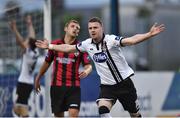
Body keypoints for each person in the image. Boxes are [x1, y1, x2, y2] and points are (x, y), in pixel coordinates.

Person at [35, 17, 165, 117]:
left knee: (135, 115)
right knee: (103, 110)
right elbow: (68, 48)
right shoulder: (87, 44)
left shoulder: (111, 40)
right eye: (90, 28)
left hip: (124, 84)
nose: (92, 30)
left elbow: (131, 40)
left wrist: (148, 34)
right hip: (107, 86)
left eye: (95, 27)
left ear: (101, 28)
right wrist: (50, 46)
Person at [34, 19, 92, 117]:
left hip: (74, 87)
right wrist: (38, 77)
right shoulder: (55, 44)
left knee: (73, 114)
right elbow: (47, 63)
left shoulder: (81, 47)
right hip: (57, 87)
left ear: (78, 33)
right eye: (72, 26)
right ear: (66, 28)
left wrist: (87, 71)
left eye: (77, 28)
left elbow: (88, 65)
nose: (75, 29)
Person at [9, 15, 39, 117]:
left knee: (21, 107)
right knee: (19, 106)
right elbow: (32, 38)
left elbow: (20, 41)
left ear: (29, 46)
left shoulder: (28, 53)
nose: (26, 41)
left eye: (27, 42)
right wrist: (30, 24)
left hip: (23, 82)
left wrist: (14, 29)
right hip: (29, 83)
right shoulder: (36, 52)